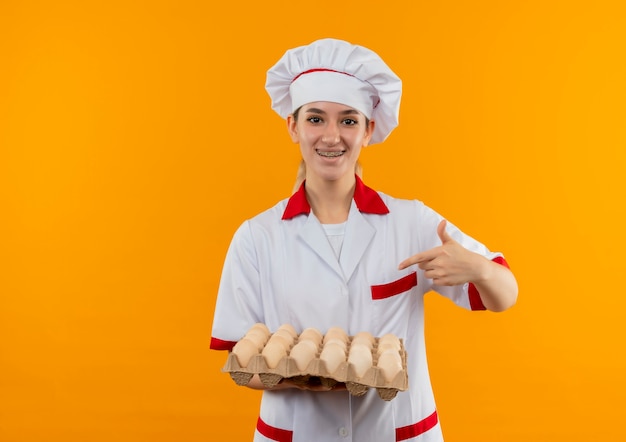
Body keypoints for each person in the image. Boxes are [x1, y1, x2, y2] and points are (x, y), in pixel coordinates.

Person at [210, 38, 518, 442]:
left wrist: (478, 269)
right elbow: (242, 358)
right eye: (316, 119)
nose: (331, 136)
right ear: (292, 126)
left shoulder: (411, 222)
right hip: (298, 432)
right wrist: (311, 374)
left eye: (349, 120)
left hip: (399, 431)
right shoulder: (257, 237)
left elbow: (504, 294)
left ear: (369, 130)